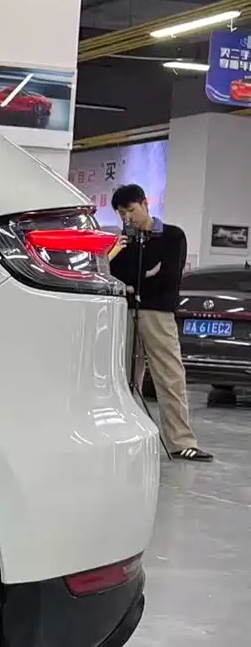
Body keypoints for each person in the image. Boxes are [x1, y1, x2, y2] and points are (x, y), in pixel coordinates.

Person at [108, 184, 213, 462]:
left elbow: (168, 277)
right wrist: (142, 275)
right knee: (125, 377)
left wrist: (136, 282)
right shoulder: (125, 242)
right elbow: (118, 273)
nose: (127, 218)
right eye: (122, 214)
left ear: (145, 204)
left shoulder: (172, 236)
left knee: (169, 376)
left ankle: (181, 441)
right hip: (127, 312)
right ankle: (126, 435)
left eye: (131, 210)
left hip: (158, 313)